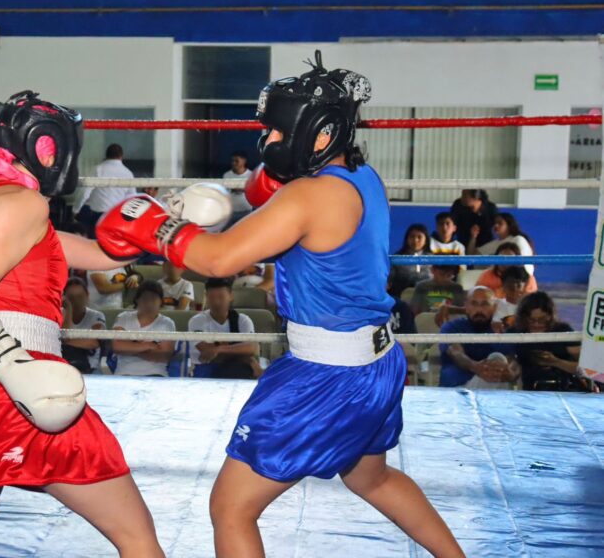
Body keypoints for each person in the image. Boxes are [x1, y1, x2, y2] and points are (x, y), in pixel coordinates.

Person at [95, 52, 463, 557]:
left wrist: (155, 223)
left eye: (277, 130)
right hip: (377, 361)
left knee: (231, 508)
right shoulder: (364, 178)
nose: (267, 140)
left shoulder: (308, 196)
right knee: (371, 477)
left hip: (326, 376)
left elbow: (218, 258)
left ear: (319, 134)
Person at [0, 91, 163, 557]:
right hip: (6, 374)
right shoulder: (24, 205)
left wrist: (166, 224)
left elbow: (100, 254)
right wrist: (14, 367)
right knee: (138, 537)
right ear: (49, 149)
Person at [438, 287, 519, 389]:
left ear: (494, 307)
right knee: (494, 371)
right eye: (474, 304)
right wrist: (475, 367)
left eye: (485, 304)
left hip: (495, 388)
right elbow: (455, 352)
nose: (479, 310)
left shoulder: (501, 331)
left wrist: (511, 374)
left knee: (498, 359)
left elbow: (512, 360)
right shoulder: (452, 327)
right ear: (466, 306)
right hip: (458, 388)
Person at [508, 291, 589, 392]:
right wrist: (511, 370)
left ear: (550, 316)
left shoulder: (563, 332)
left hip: (566, 389)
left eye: (542, 320)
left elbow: (587, 369)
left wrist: (556, 362)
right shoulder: (515, 333)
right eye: (531, 320)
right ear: (523, 318)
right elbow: (507, 364)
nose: (537, 324)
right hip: (530, 391)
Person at [188, 278, 260, 379]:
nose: (216, 302)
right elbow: (206, 352)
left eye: (221, 297)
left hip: (235, 367)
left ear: (231, 296)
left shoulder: (243, 320)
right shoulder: (196, 321)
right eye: (211, 297)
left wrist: (219, 349)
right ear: (206, 297)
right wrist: (238, 349)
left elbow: (251, 347)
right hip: (205, 367)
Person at [111, 280, 176, 377]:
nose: (149, 303)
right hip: (124, 373)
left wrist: (130, 348)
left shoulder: (167, 323)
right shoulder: (123, 317)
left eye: (153, 298)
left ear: (161, 301)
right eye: (145, 298)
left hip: (156, 374)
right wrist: (149, 345)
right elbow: (117, 346)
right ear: (137, 300)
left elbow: (164, 356)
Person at [75, 143, 136, 237]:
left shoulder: (97, 169)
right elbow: (132, 198)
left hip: (98, 216)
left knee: (94, 243)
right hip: (117, 217)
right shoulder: (128, 173)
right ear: (121, 156)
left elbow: (85, 192)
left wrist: (76, 210)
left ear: (106, 155)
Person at [61, 276, 106, 374]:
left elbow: (93, 342)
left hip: (91, 368)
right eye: (71, 298)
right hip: (64, 366)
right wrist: (69, 310)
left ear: (87, 295)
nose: (76, 301)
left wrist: (65, 341)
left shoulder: (97, 316)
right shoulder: (58, 314)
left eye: (80, 296)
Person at [470, 212, 535, 275]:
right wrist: (473, 237)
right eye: (494, 223)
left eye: (500, 223)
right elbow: (472, 254)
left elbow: (521, 265)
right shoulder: (495, 243)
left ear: (509, 225)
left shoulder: (518, 239)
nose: (496, 225)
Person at [387, 223, 431, 297]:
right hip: (401, 297)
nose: (415, 240)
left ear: (426, 240)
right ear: (407, 239)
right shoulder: (397, 258)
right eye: (412, 236)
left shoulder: (433, 258)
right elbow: (389, 281)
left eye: (419, 237)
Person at [491, 266, 529, 333]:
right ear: (503, 285)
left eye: (518, 285)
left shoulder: (530, 307)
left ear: (524, 286)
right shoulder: (494, 304)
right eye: (510, 285)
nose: (514, 288)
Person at [223, 150, 254, 226]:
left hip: (246, 211)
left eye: (236, 161)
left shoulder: (251, 175)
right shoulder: (227, 175)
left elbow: (254, 193)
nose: (233, 163)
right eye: (232, 161)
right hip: (230, 211)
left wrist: (242, 189)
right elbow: (224, 193)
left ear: (244, 161)